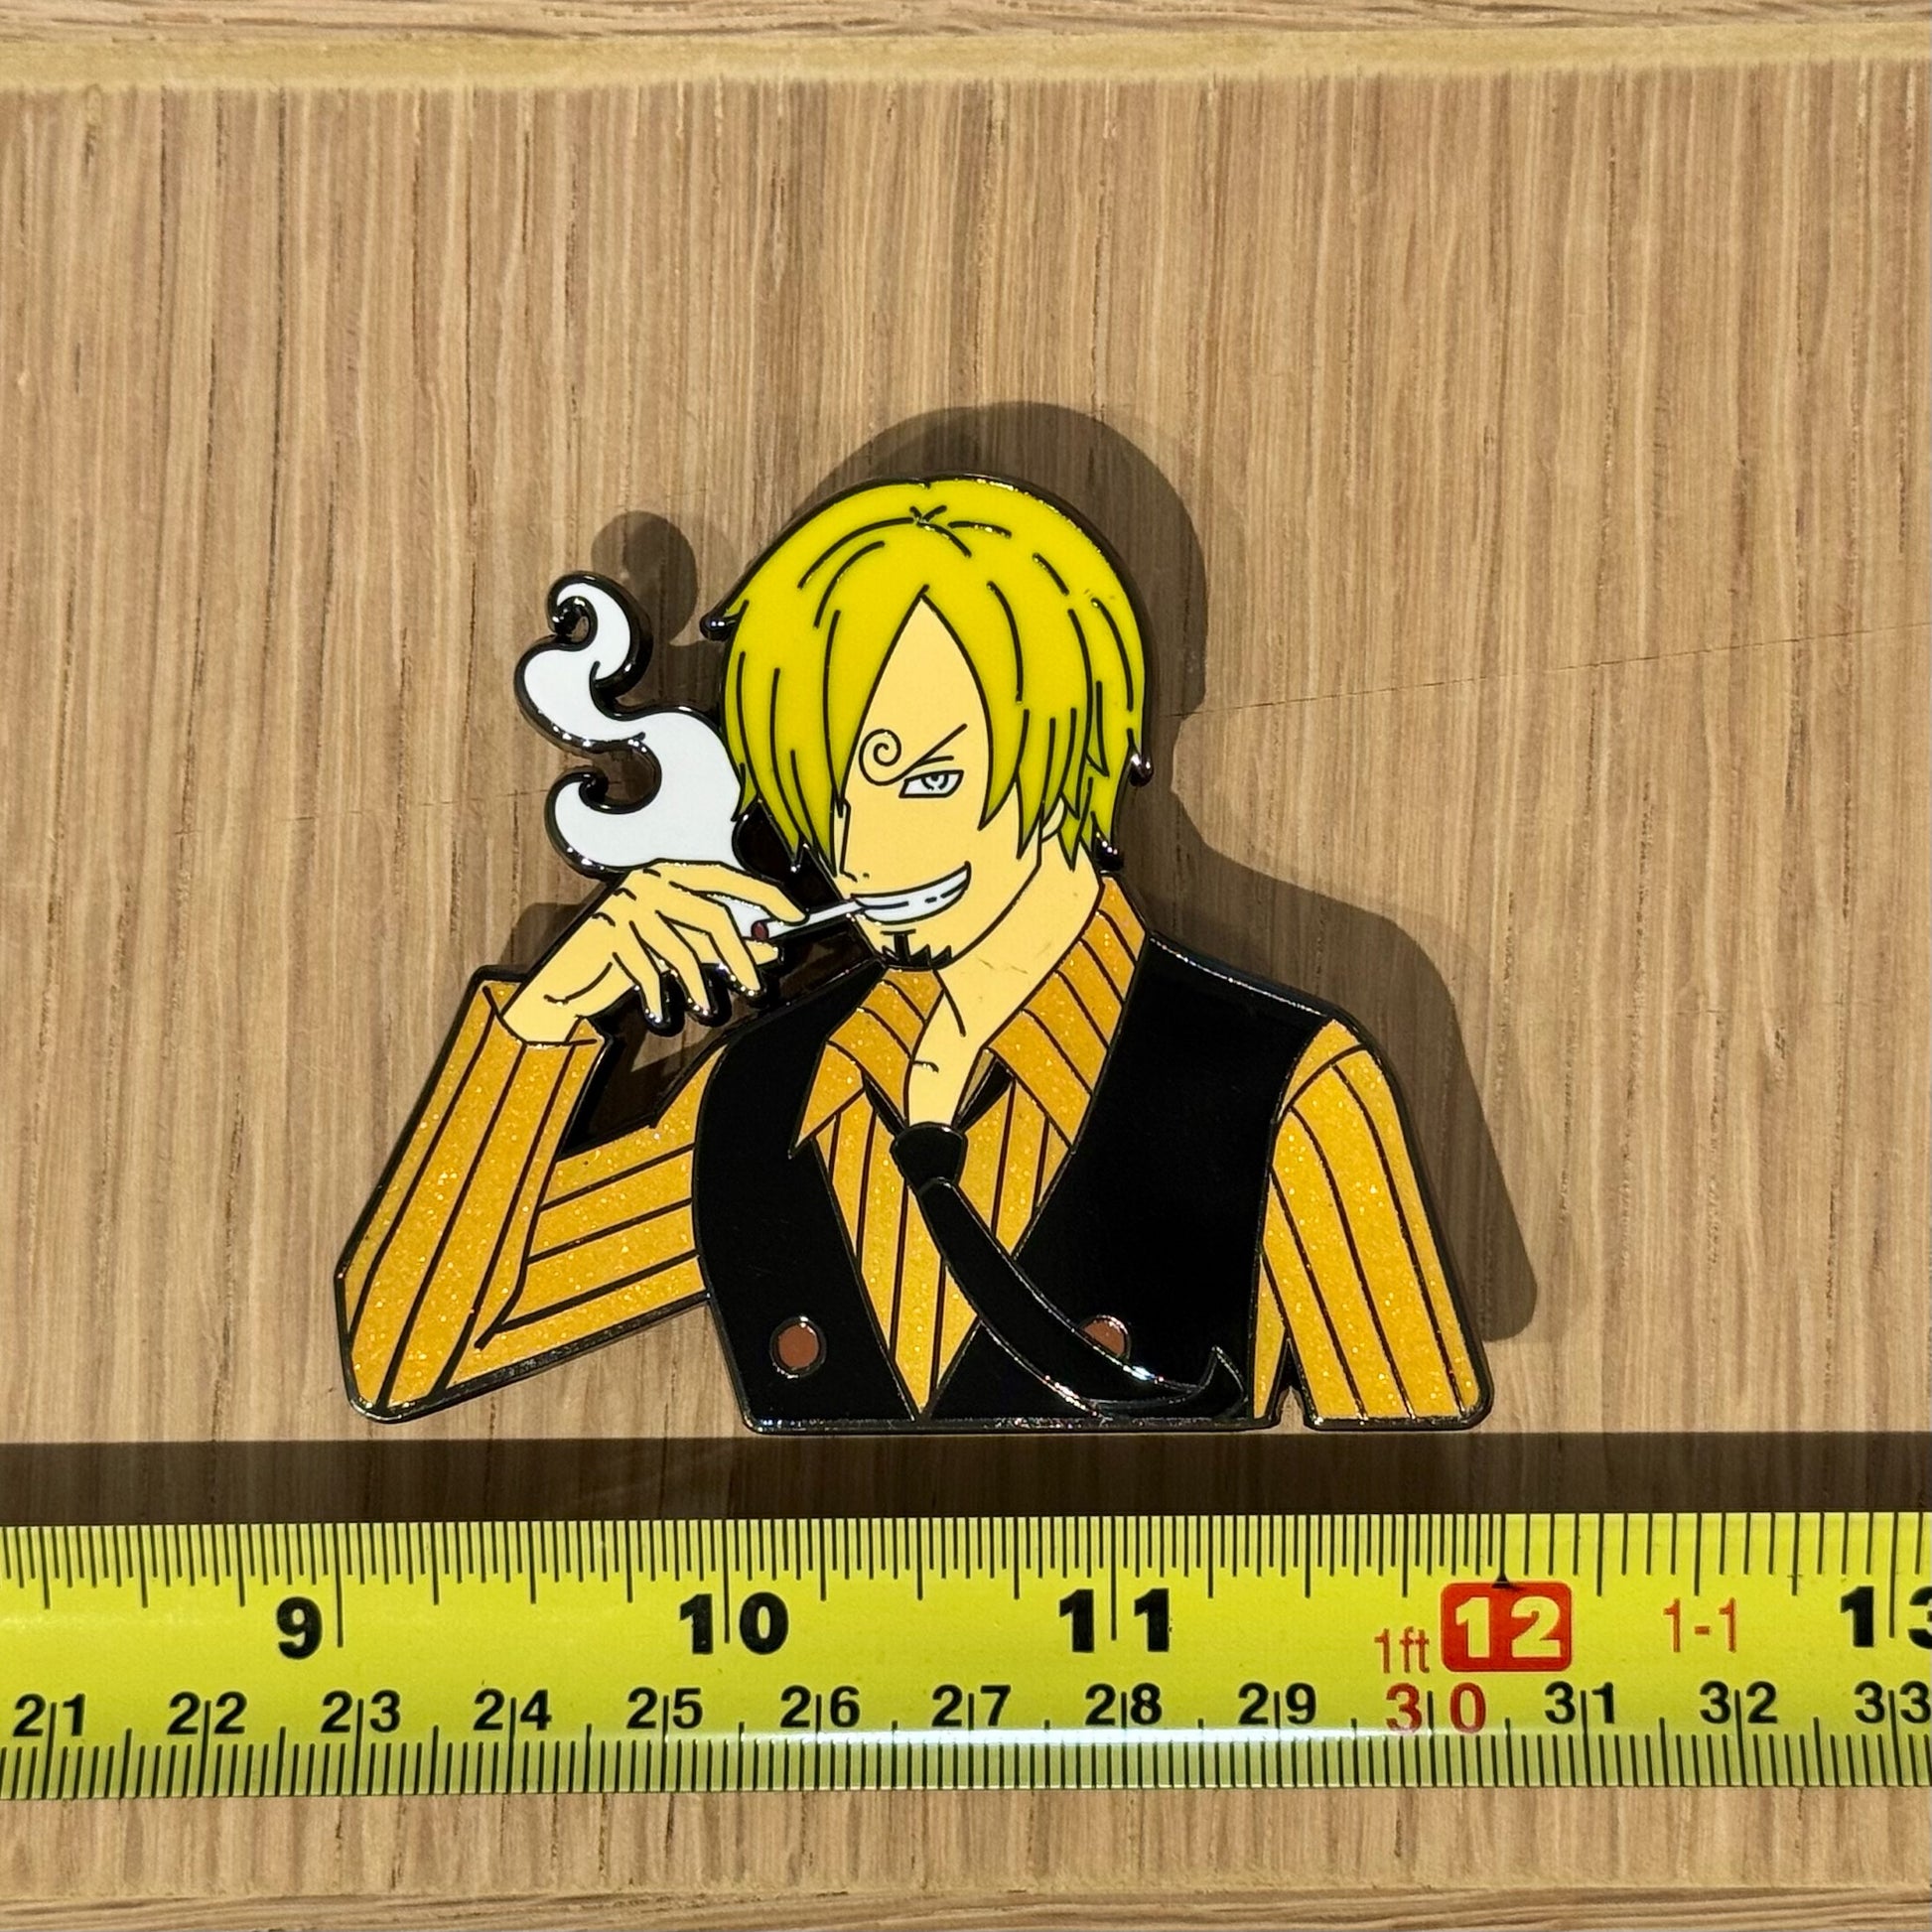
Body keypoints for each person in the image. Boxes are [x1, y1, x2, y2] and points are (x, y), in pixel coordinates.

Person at [337, 477, 1490, 1431]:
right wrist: (545, 1021)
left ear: (1069, 748)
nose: (866, 850)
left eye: (926, 776)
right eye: (829, 791)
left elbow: (1408, 1496)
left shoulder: (1280, 1085)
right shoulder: (766, 1093)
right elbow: (406, 1357)